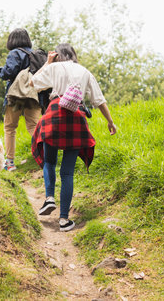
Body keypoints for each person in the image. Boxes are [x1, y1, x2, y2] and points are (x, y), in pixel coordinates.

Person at [30, 43, 116, 231]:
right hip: (76, 116)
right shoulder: (85, 71)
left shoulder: (53, 67)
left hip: (54, 113)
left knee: (49, 162)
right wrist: (110, 122)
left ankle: (49, 198)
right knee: (67, 172)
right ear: (74, 55)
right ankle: (63, 220)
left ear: (58, 55)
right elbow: (99, 100)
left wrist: (47, 63)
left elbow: (33, 83)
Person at [0, 28, 42, 171]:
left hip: (16, 95)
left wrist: (0, 71)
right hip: (32, 94)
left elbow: (8, 72)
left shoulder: (14, 53)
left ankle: (9, 162)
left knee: (10, 127)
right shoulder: (35, 54)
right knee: (34, 125)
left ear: (12, 40)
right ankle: (45, 155)